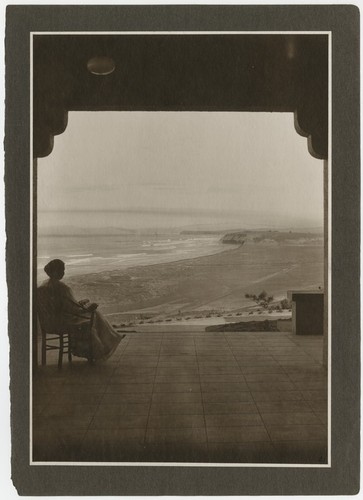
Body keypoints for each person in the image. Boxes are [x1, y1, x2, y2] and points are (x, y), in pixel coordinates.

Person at [38, 258, 125, 361]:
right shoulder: (62, 288)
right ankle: (106, 345)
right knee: (94, 314)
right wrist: (87, 309)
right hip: (62, 323)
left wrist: (79, 304)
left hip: (48, 323)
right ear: (56, 271)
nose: (63, 272)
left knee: (91, 316)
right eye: (62, 270)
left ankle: (110, 339)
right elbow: (72, 309)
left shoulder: (43, 286)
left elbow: (63, 306)